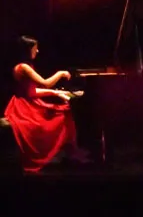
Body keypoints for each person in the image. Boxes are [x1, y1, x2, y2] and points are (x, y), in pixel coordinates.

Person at [3, 36, 90, 173]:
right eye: (35, 48)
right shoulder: (23, 67)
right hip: (23, 106)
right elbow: (45, 83)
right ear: (27, 50)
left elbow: (32, 90)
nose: (37, 51)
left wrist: (54, 93)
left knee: (63, 110)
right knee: (57, 116)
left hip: (29, 102)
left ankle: (70, 150)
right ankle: (63, 152)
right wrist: (60, 73)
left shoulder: (26, 66)